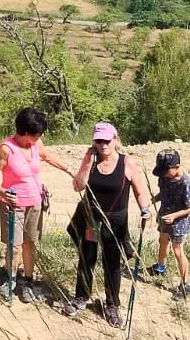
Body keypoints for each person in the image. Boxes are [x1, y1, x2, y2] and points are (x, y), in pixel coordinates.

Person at [0, 107, 76, 303]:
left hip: (34, 203)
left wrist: (70, 171)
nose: (39, 137)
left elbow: (48, 157)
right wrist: (2, 192)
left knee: (30, 243)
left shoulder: (35, 144)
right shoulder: (6, 149)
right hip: (13, 205)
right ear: (25, 132)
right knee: (14, 245)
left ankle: (28, 281)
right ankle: (10, 280)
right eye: (37, 134)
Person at [65, 123, 152, 327]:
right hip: (91, 218)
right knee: (87, 258)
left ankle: (112, 304)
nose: (103, 144)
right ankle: (81, 297)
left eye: (106, 140)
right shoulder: (91, 161)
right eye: (98, 141)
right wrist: (87, 161)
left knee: (112, 262)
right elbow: (78, 186)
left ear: (115, 140)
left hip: (116, 220)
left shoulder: (127, 162)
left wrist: (145, 209)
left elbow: (140, 191)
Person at [150, 148, 190, 300]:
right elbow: (163, 193)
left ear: (177, 167)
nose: (163, 175)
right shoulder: (164, 177)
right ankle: (160, 267)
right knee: (162, 241)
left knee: (177, 251)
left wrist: (175, 216)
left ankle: (185, 284)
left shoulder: (185, 183)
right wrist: (154, 199)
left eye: (166, 171)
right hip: (164, 216)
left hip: (179, 222)